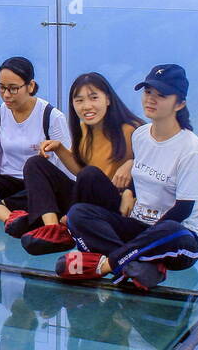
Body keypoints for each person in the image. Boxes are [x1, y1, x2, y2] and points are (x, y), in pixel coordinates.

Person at [57, 64, 198, 292]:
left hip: (177, 241)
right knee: (79, 213)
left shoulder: (190, 147)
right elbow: (141, 173)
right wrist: (129, 192)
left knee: (172, 230)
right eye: (147, 93)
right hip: (139, 226)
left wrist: (148, 236)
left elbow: (184, 208)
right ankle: (138, 266)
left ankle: (105, 265)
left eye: (161, 95)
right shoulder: (141, 135)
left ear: (180, 103)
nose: (150, 100)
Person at [10, 71, 144, 255]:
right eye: (79, 100)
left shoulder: (132, 129)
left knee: (90, 174)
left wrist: (131, 165)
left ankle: (57, 222)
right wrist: (59, 148)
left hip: (114, 208)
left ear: (108, 99)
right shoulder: (83, 128)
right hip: (85, 200)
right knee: (35, 163)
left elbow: (156, 165)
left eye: (94, 97)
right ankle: (54, 230)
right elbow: (79, 170)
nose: (86, 106)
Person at [0, 56, 72, 224]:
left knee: (43, 192)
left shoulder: (51, 116)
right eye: (1, 88)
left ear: (30, 86)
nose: (6, 95)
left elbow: (65, 165)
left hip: (39, 184)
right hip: (9, 181)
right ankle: (9, 216)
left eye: (13, 89)